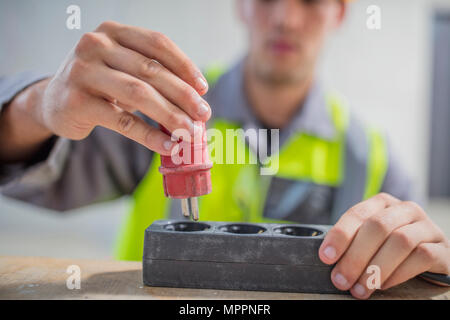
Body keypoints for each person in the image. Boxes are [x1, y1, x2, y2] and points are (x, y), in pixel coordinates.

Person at [0, 0, 448, 299]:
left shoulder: (373, 157)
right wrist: (39, 106)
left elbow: (417, 269)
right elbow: (33, 175)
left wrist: (431, 265)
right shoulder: (159, 113)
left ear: (340, 12)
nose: (286, 18)